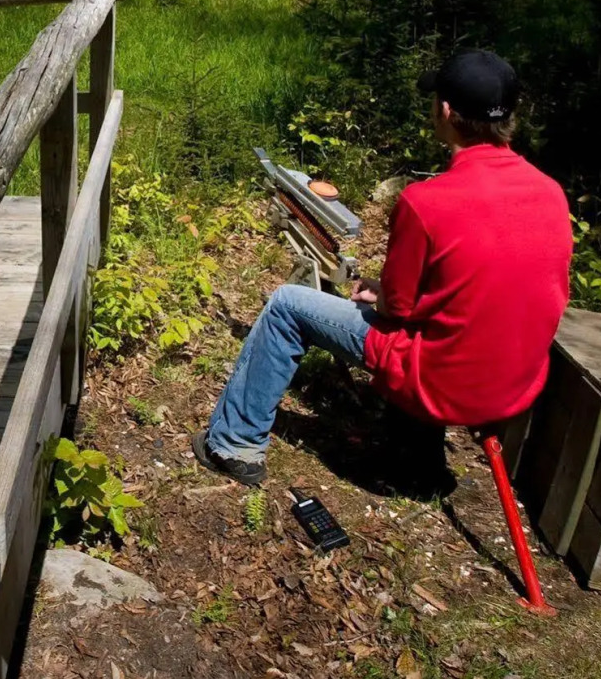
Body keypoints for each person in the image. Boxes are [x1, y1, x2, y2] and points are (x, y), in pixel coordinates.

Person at [193, 49, 573, 487]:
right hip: (515, 385)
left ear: (445, 111)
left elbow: (400, 309)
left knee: (286, 304)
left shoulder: (426, 202)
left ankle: (232, 445)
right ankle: (416, 461)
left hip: (439, 380)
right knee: (447, 326)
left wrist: (385, 293)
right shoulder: (549, 193)